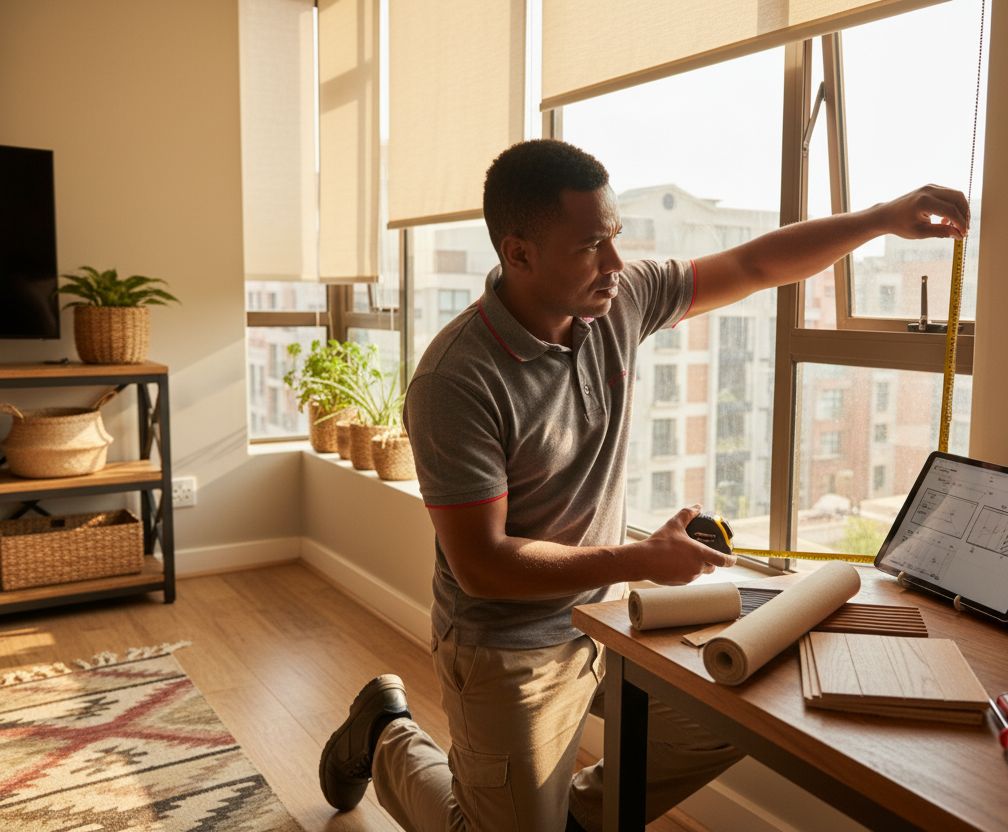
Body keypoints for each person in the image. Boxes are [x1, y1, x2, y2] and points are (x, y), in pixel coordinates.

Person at [319, 139, 969, 831]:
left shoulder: (617, 301)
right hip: (509, 643)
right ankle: (385, 733)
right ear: (519, 254)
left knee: (737, 710)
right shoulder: (455, 380)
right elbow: (482, 565)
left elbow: (754, 265)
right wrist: (641, 558)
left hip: (614, 617)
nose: (615, 262)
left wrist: (880, 218)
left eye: (616, 237)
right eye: (590, 246)